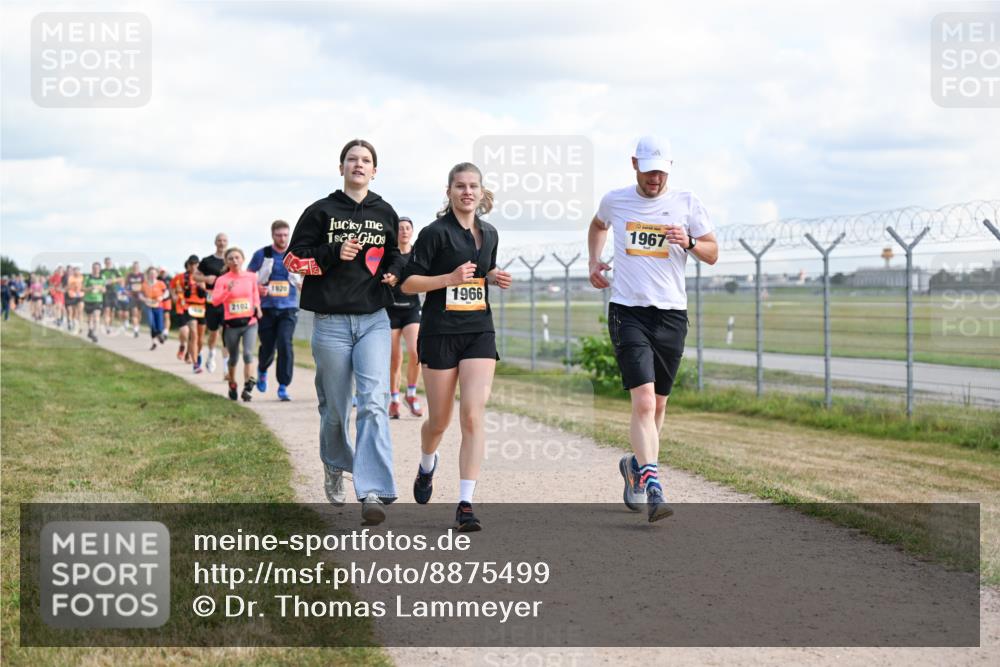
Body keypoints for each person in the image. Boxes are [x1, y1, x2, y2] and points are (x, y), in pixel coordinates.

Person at [588, 135, 719, 522]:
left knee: (658, 405)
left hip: (671, 314)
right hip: (628, 311)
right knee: (643, 402)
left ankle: (635, 466)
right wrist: (594, 262)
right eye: (648, 173)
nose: (655, 180)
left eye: (661, 173)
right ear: (635, 165)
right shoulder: (616, 200)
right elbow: (597, 225)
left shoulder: (686, 203)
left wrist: (691, 242)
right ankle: (655, 485)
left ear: (669, 169)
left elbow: (712, 253)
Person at [284, 138, 405, 525]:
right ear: (341, 168)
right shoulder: (320, 211)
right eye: (352, 159)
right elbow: (294, 260)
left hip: (373, 318)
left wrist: (395, 272)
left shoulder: (384, 211)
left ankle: (372, 490)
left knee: (372, 402)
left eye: (365, 160)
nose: (358, 165)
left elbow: (394, 254)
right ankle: (335, 463)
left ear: (374, 170)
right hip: (331, 321)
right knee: (336, 408)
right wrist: (333, 252)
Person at [401, 162, 513, 532]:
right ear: (448, 192)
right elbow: (408, 284)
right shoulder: (435, 233)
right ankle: (426, 463)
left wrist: (493, 276)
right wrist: (448, 278)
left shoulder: (490, 233)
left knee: (472, 415)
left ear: (482, 192)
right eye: (460, 186)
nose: (467, 192)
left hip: (479, 330)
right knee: (440, 421)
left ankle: (465, 503)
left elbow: (482, 272)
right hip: (440, 333)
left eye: (473, 186)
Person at [248, 220, 302, 402]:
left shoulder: (295, 254)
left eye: (286, 235)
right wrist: (257, 287)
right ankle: (262, 369)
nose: (283, 238)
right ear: (273, 235)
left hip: (288, 308)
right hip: (267, 308)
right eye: (279, 235)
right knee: (268, 347)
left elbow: (307, 274)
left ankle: (283, 386)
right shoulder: (262, 254)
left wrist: (304, 284)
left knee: (285, 344)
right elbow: (248, 279)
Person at [211, 247, 262, 401]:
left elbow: (255, 294)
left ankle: (248, 387)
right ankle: (232, 384)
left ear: (243, 259)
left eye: (237, 257)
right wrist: (227, 290)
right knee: (233, 358)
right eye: (231, 258)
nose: (234, 261)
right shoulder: (222, 280)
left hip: (250, 322)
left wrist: (258, 308)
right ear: (226, 261)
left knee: (248, 354)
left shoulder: (251, 277)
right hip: (231, 325)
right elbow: (215, 301)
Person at [387, 216, 423, 419]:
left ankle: (411, 394)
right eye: (400, 228)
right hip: (391, 310)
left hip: (411, 310)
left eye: (407, 228)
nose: (404, 231)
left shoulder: (417, 255)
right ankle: (394, 400)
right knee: (395, 359)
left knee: (415, 351)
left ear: (412, 231)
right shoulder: (389, 255)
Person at [194, 233, 229, 373]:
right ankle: (211, 354)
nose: (222, 243)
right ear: (215, 242)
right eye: (219, 240)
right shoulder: (207, 261)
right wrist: (205, 278)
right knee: (213, 333)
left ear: (227, 243)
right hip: (212, 302)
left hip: (226, 302)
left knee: (226, 333)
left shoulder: (232, 260)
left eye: (224, 240)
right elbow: (195, 276)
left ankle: (226, 367)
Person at [179, 255, 207, 373]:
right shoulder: (183, 277)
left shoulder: (203, 277)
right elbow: (178, 291)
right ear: (188, 265)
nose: (194, 267)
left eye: (196, 264)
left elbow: (210, 292)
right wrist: (178, 297)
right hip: (189, 308)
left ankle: (194, 353)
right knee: (194, 334)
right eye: (191, 264)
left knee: (200, 339)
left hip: (202, 308)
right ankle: (195, 364)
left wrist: (203, 286)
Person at [139, 267, 169, 350]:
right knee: (151, 323)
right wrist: (144, 299)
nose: (152, 275)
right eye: (151, 273)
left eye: (154, 273)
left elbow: (166, 292)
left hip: (158, 306)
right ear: (148, 274)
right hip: (148, 306)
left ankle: (159, 335)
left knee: (159, 325)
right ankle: (154, 342)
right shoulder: (144, 284)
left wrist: (161, 297)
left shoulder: (160, 283)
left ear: (157, 274)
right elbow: (140, 295)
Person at [169, 263, 191, 362]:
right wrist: (173, 295)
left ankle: (189, 353)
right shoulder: (179, 277)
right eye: (190, 266)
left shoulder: (198, 278)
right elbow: (171, 287)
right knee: (184, 331)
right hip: (181, 307)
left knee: (193, 333)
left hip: (194, 308)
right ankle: (182, 346)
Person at [82, 262, 106, 342]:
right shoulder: (88, 277)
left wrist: (102, 289)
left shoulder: (102, 277)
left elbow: (104, 289)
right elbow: (82, 289)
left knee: (96, 316)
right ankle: (90, 331)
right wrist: (90, 288)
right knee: (90, 318)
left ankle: (95, 334)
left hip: (98, 300)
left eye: (97, 268)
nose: (96, 270)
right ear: (92, 269)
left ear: (99, 269)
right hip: (88, 300)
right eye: (94, 268)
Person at [101, 257, 121, 334]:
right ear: (105, 263)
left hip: (114, 292)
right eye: (106, 262)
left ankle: (110, 324)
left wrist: (112, 280)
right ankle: (107, 327)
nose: (108, 263)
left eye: (109, 262)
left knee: (112, 311)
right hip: (105, 292)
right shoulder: (102, 271)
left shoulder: (115, 271)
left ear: (111, 263)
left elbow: (121, 279)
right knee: (107, 310)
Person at [125, 261, 145, 337]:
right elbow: (126, 285)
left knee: (139, 314)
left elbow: (145, 285)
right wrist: (127, 292)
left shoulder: (142, 275)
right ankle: (135, 329)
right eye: (134, 266)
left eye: (137, 267)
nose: (135, 268)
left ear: (139, 268)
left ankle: (137, 326)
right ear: (132, 267)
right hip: (132, 296)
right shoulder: (129, 276)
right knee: (134, 313)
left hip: (141, 297)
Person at [65, 266, 84, 333]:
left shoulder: (82, 277)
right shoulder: (70, 278)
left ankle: (80, 326)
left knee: (80, 311)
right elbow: (67, 287)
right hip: (71, 296)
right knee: (73, 312)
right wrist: (73, 285)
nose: (77, 272)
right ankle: (72, 322)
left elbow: (84, 286)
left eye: (78, 270)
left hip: (80, 296)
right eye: (75, 271)